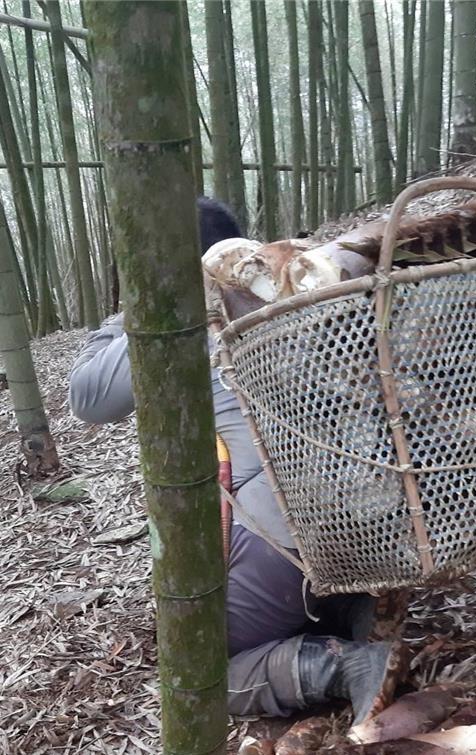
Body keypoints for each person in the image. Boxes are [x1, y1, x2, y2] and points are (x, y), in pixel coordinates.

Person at [69, 197, 403, 727]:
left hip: (290, 535)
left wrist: (130, 310)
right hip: (383, 512)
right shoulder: (303, 285)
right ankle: (350, 604)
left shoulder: (183, 314)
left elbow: (88, 397)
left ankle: (344, 665)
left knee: (197, 675)